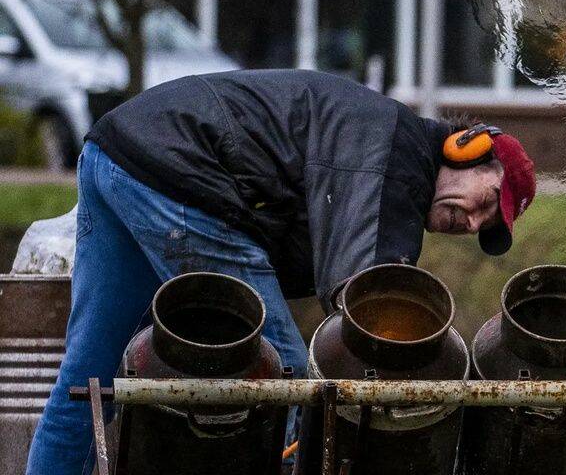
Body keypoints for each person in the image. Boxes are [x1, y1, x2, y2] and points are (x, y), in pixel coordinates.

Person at [27, 69, 537, 475]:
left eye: (480, 227)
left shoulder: (381, 149)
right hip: (180, 171)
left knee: (89, 375)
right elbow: (367, 302)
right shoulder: (395, 153)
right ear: (467, 147)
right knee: (288, 374)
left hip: (114, 152)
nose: (468, 222)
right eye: (484, 202)